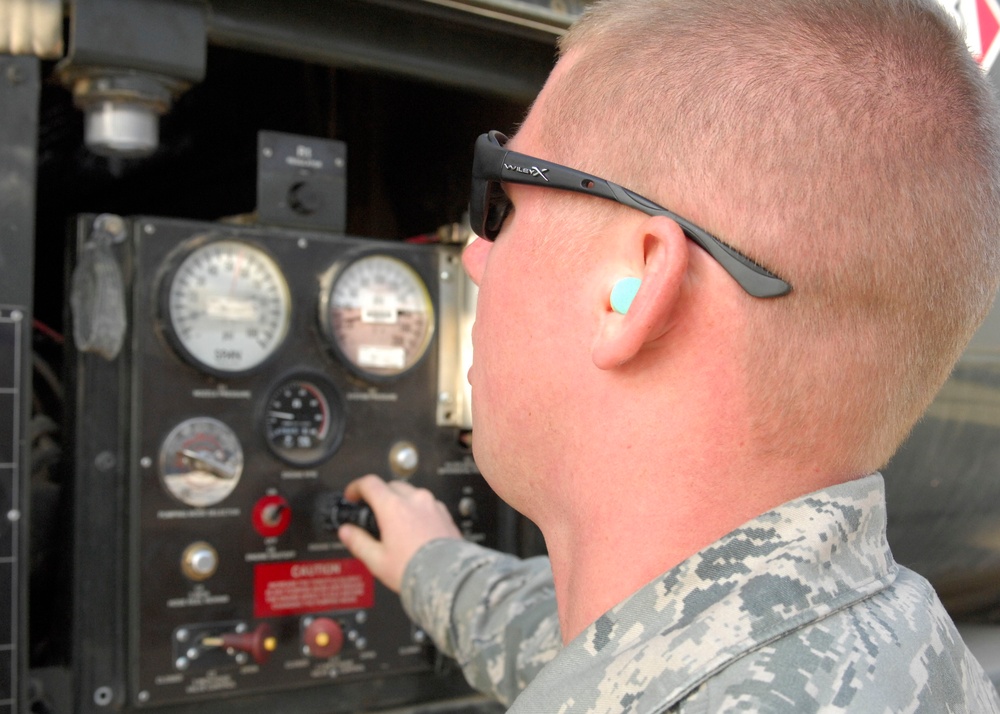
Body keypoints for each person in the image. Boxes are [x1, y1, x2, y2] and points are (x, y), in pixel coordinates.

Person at [338, 0, 1000, 710]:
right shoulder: (894, 639)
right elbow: (620, 651)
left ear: (637, 288)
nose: (476, 255)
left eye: (502, 200)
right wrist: (434, 567)